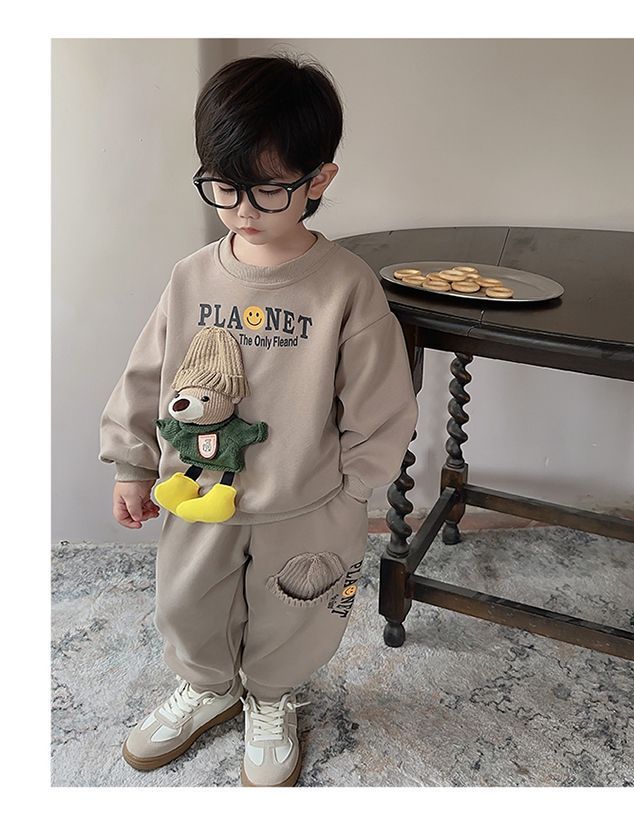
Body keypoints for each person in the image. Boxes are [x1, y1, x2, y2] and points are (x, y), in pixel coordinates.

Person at [98, 52, 419, 788]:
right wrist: (131, 463)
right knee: (186, 603)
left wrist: (353, 491)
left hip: (307, 503)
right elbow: (147, 375)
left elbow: (381, 403)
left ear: (319, 180)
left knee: (296, 614)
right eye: (224, 186)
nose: (243, 209)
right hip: (196, 495)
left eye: (269, 189)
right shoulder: (192, 276)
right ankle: (208, 687)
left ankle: (272, 698)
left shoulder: (347, 287)